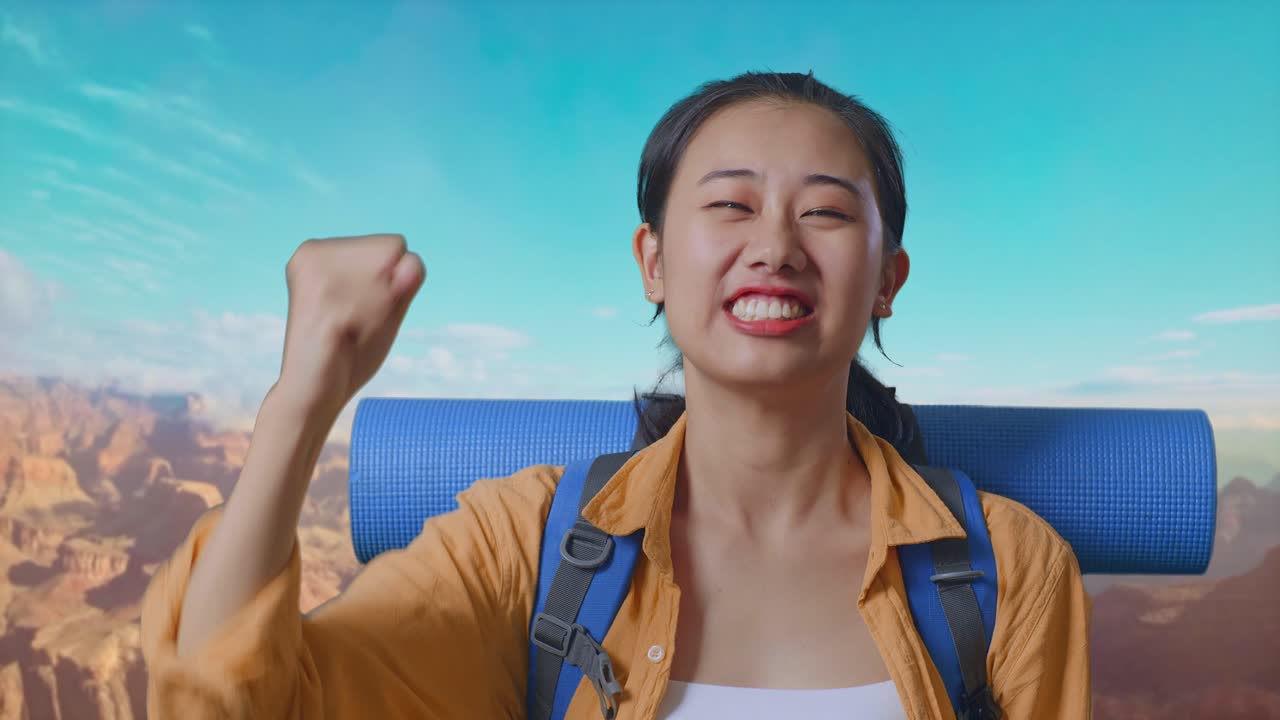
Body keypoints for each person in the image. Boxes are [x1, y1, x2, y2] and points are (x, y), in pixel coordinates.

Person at [141, 71, 1091, 719]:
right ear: (652, 262)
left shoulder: (1008, 574)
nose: (776, 244)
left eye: (828, 211)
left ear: (888, 278)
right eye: (729, 203)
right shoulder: (525, 549)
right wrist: (302, 399)